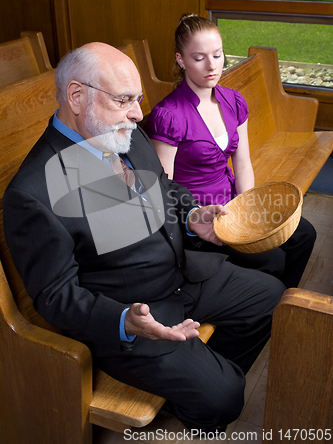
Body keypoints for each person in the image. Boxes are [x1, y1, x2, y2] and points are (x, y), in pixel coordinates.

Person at [3, 42, 285, 431]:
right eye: (124, 100)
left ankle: (197, 374)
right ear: (77, 96)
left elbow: (165, 187)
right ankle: (192, 395)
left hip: (182, 273)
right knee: (224, 396)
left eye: (137, 99)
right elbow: (55, 296)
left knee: (272, 300)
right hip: (136, 312)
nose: (137, 114)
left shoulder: (121, 132)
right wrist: (123, 320)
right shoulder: (31, 193)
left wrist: (191, 217)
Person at [145, 14, 316, 289]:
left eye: (218, 54)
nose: (212, 65)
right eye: (199, 58)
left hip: (235, 204)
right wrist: (203, 216)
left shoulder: (234, 101)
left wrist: (249, 212)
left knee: (305, 234)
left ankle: (282, 305)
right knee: (272, 261)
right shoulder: (169, 115)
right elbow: (162, 187)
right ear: (181, 60)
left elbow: (243, 162)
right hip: (204, 217)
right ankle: (266, 304)